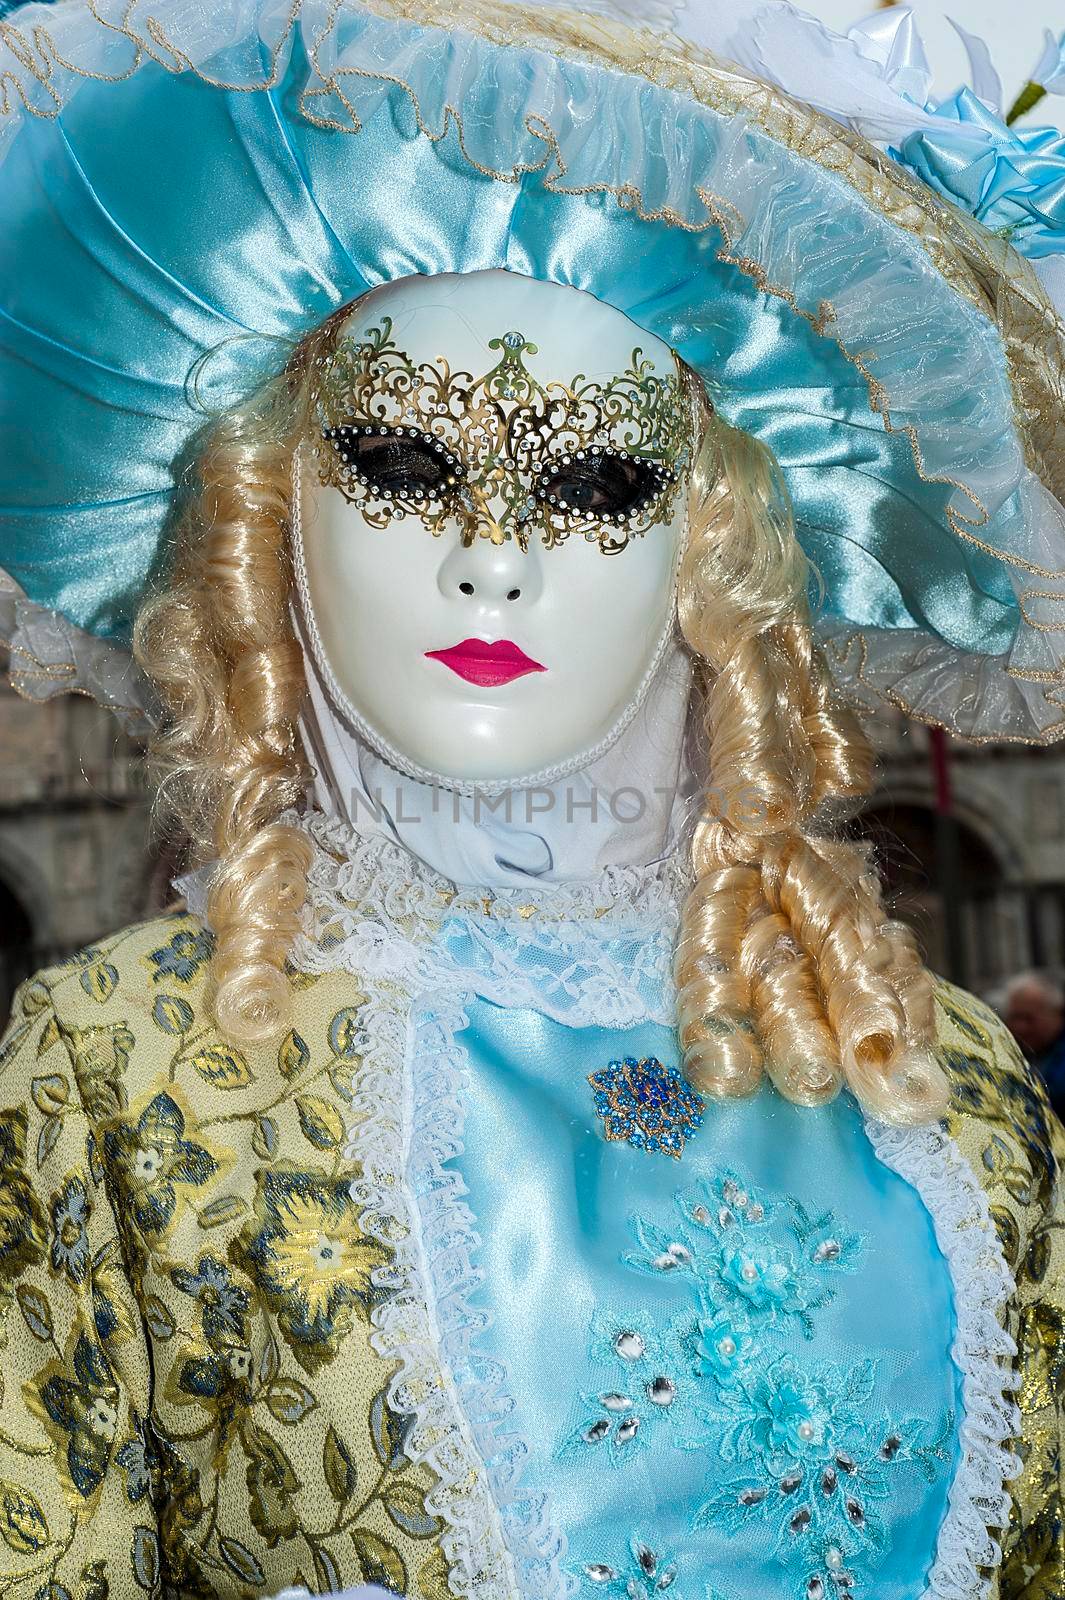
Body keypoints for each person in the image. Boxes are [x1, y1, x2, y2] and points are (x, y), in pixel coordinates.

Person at [0, 2, 1063, 1597]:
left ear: (710, 550)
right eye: (407, 472)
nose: (491, 557)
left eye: (590, 484)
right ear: (268, 516)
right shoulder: (118, 1073)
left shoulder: (939, 1080)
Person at [1004, 970, 1065, 1118]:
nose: (1020, 1027)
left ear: (1057, 1014)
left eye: (1029, 1018)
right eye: (1014, 1017)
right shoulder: (1014, 1052)